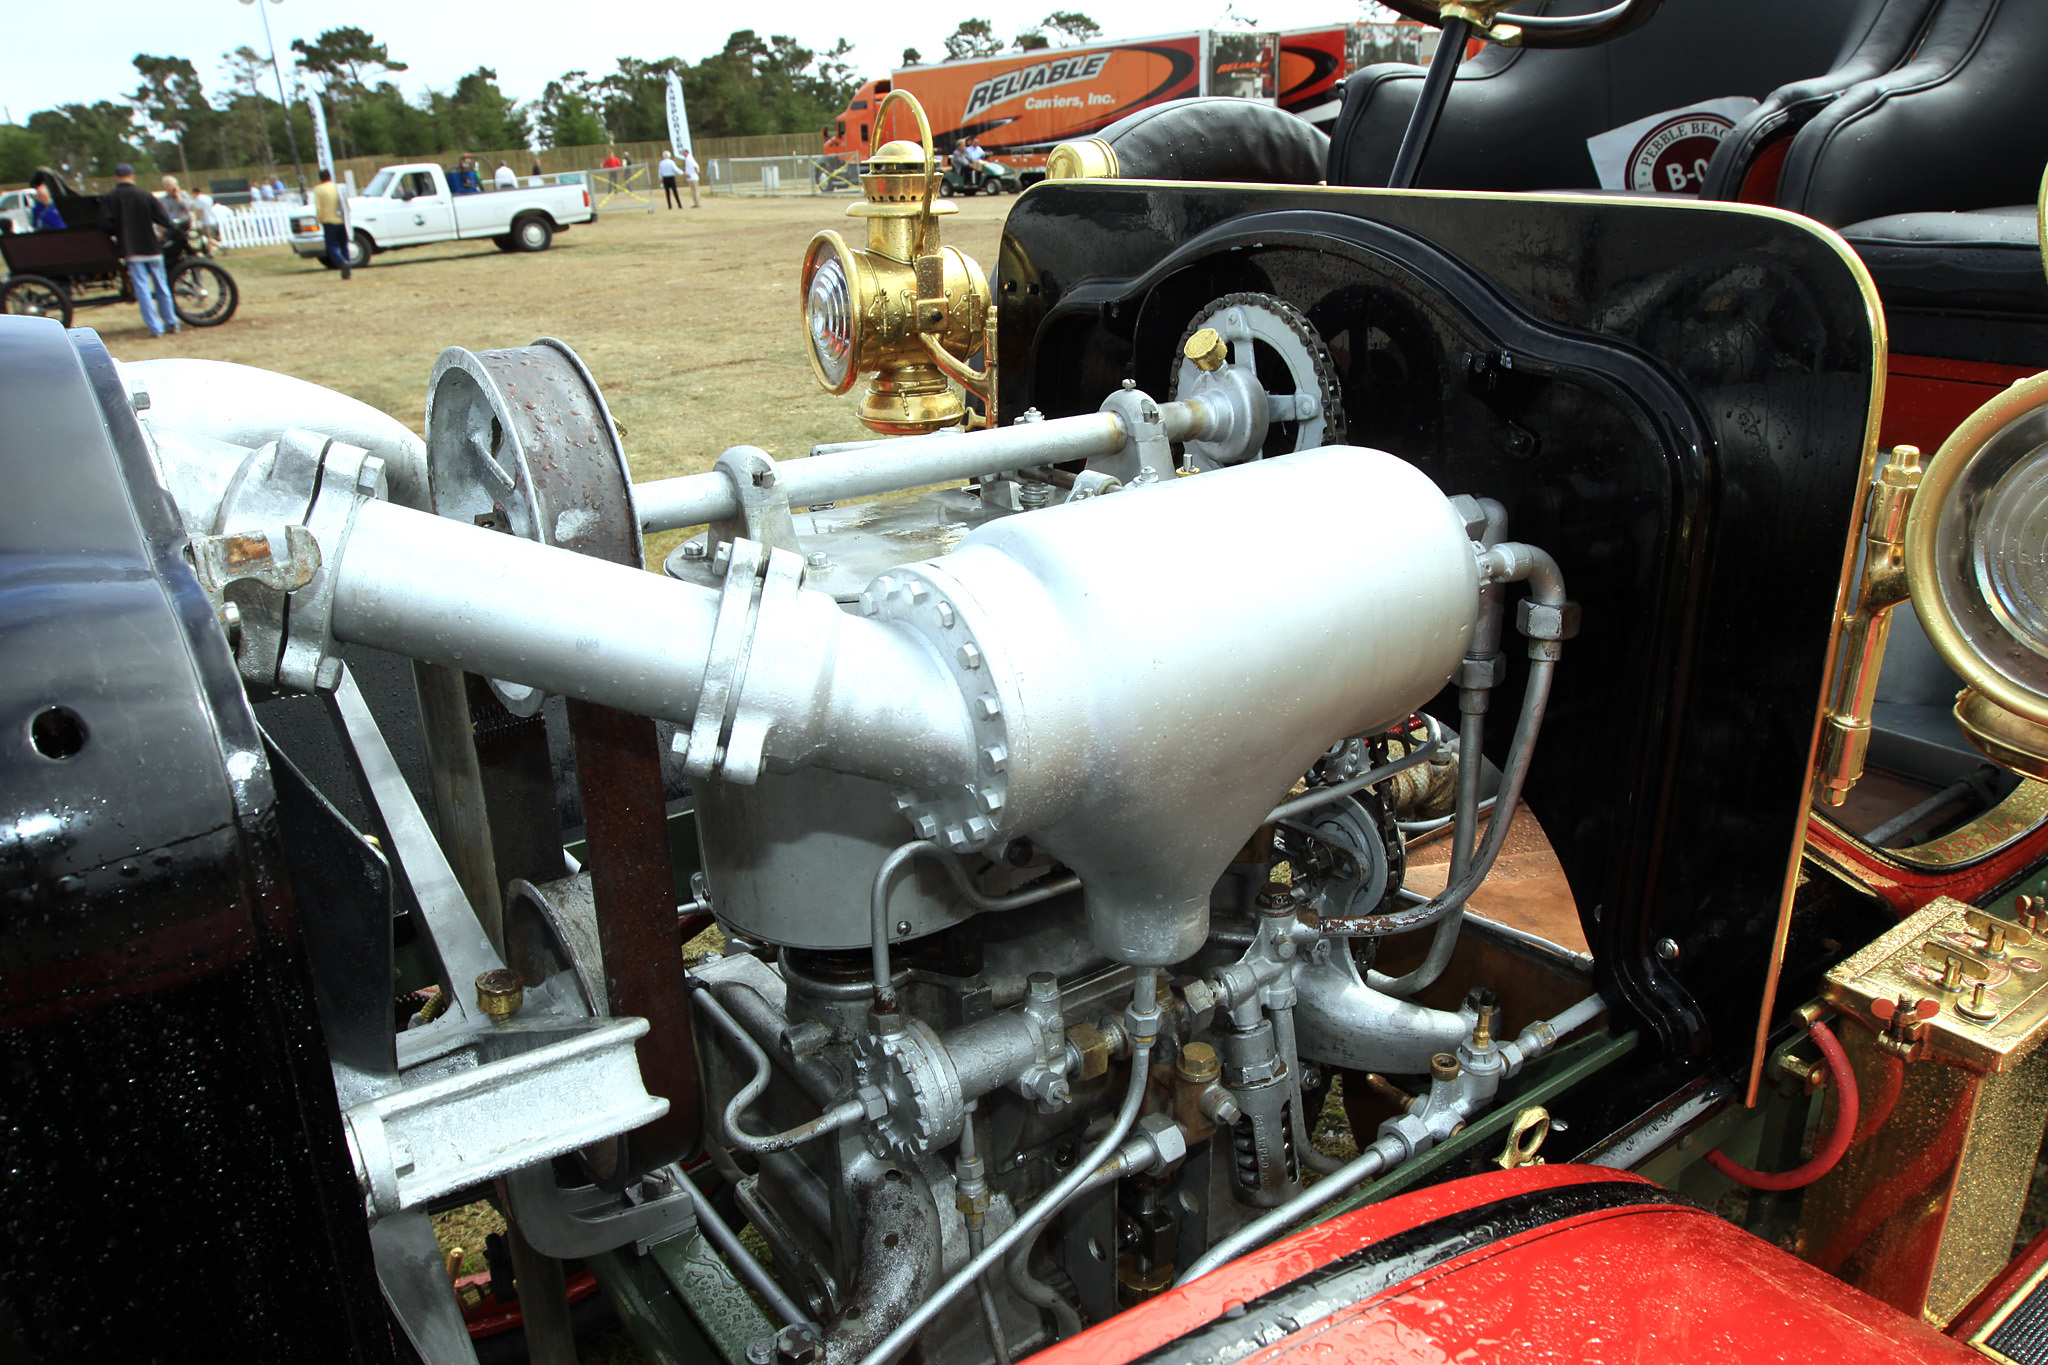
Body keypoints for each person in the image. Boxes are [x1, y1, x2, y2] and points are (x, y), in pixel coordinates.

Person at [97, 164, 178, 338]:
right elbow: (163, 219)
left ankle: (155, 328)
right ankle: (171, 321)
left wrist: (117, 231)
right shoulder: (145, 195)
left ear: (115, 177)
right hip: (152, 247)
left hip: (130, 249)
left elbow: (104, 224)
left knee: (142, 289)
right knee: (162, 286)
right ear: (133, 176)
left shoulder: (110, 198)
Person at [313, 167, 351, 281]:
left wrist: (319, 220)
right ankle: (347, 270)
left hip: (328, 221)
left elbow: (318, 207)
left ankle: (341, 261)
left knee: (331, 247)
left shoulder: (318, 190)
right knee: (344, 246)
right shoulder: (336, 187)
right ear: (330, 176)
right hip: (341, 220)